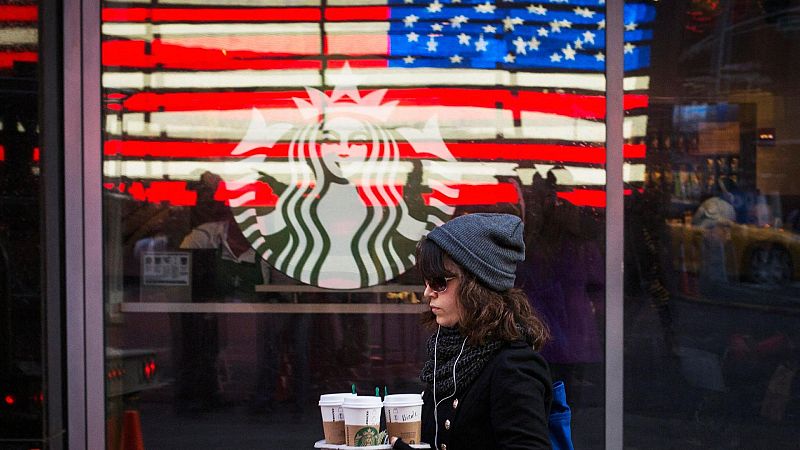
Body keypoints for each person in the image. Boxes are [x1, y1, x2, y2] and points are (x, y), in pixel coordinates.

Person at [391, 213, 553, 450]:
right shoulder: (450, 353)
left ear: (475, 286)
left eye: (439, 282)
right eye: (426, 281)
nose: (427, 293)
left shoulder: (514, 366)